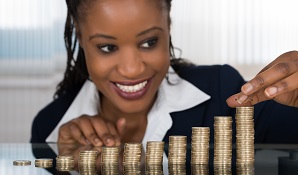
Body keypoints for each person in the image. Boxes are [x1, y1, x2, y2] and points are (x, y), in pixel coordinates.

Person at [30, 0, 298, 148]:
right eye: (107, 47)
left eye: (149, 42)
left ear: (167, 26)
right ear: (79, 35)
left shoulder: (221, 90)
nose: (132, 69)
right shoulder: (50, 127)